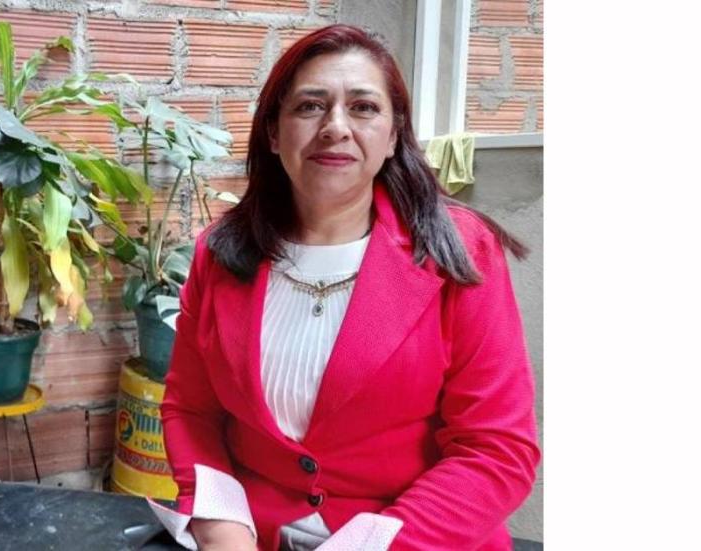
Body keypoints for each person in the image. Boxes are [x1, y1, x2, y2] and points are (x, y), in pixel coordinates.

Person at [146, 24, 540, 551]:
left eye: (363, 108)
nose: (335, 127)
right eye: (310, 106)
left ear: (393, 135)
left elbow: (495, 449)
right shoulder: (219, 254)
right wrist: (223, 529)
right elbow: (192, 411)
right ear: (273, 132)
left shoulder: (461, 253)